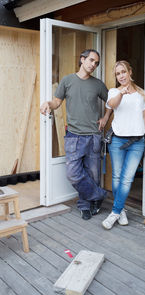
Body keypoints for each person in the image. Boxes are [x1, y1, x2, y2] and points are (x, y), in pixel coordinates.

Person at [40, 49, 112, 220]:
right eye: (91, 60)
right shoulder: (67, 81)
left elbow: (111, 101)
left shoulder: (98, 84)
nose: (93, 64)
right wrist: (47, 103)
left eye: (96, 63)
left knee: (93, 175)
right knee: (73, 174)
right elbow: (57, 102)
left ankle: (85, 205)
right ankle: (99, 195)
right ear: (82, 59)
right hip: (74, 136)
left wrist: (105, 117)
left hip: (94, 136)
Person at [102, 60, 145, 230]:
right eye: (118, 74)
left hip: (137, 142)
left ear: (130, 72)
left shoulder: (141, 94)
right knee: (117, 176)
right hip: (118, 140)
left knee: (127, 179)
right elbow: (112, 105)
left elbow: (144, 117)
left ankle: (115, 212)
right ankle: (120, 210)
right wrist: (121, 94)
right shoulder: (114, 92)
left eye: (123, 72)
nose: (121, 76)